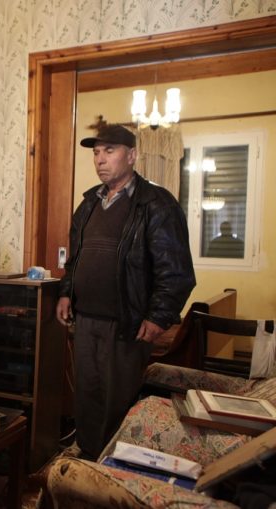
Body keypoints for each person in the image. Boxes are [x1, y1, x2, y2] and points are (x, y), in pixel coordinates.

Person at [55, 124, 196, 461]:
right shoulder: (89, 202)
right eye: (96, 153)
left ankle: (114, 465)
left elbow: (176, 271)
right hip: (85, 318)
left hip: (127, 322)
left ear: (131, 155)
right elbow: (75, 258)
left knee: (117, 400)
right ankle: (87, 460)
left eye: (109, 151)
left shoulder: (156, 203)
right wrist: (66, 291)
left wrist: (158, 316)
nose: (100, 160)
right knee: (87, 394)